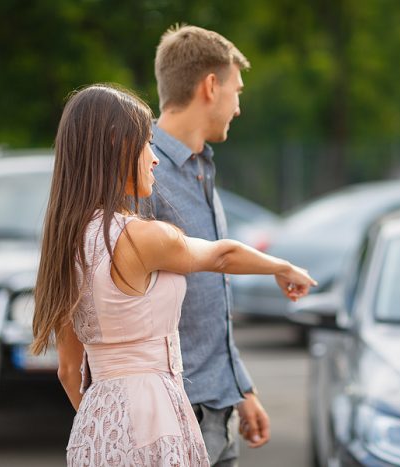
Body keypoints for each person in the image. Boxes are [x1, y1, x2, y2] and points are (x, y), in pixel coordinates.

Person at [30, 84, 316, 466]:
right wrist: (282, 267)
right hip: (155, 419)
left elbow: (69, 371)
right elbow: (221, 255)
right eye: (146, 143)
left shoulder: (66, 241)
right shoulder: (143, 237)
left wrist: (110, 427)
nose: (155, 160)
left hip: (93, 429)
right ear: (117, 145)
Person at [147, 25, 270, 465]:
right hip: (172, 418)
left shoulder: (202, 168)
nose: (238, 106)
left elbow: (207, 301)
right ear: (211, 86)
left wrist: (242, 387)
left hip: (218, 413)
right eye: (236, 90)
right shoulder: (143, 174)